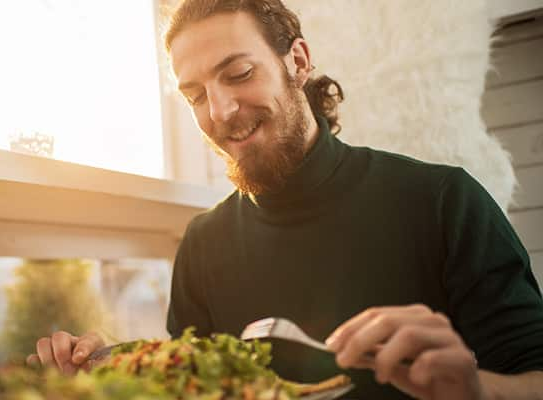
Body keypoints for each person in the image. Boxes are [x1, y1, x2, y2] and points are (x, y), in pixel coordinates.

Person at [28, 1, 543, 398]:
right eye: (195, 95)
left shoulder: (444, 202)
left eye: (239, 73)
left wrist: (478, 389)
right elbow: (190, 382)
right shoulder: (204, 242)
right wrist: (109, 374)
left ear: (296, 60)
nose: (221, 109)